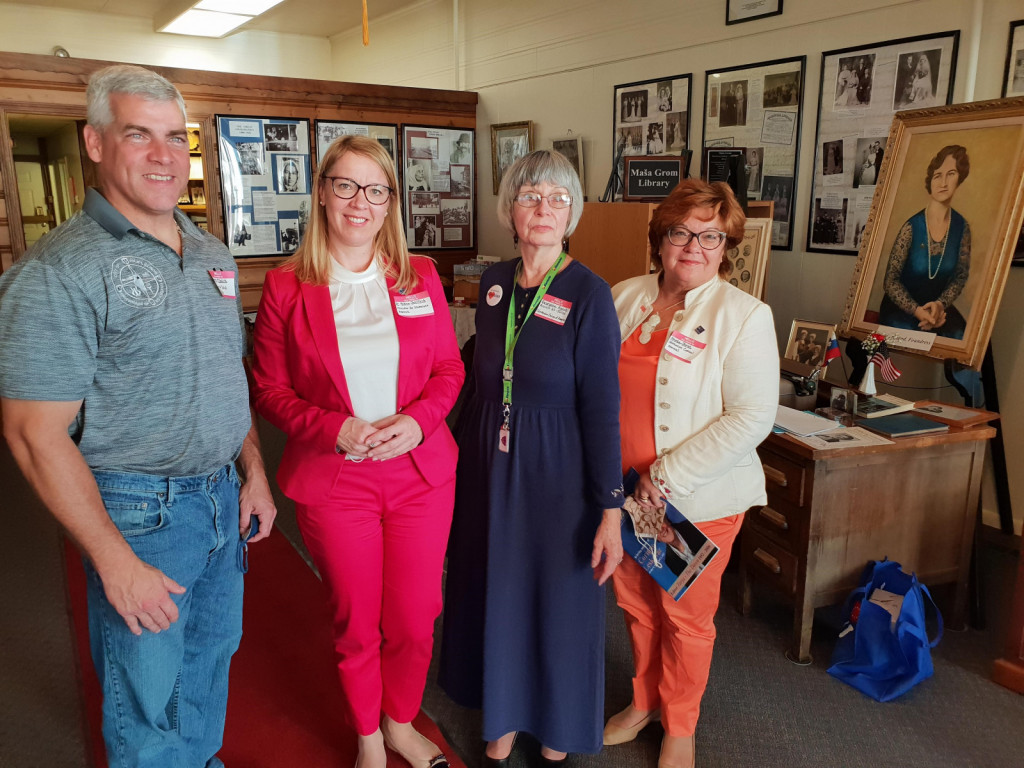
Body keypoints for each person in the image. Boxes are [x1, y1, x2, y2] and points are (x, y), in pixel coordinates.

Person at [0, 64, 277, 767]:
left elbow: (227, 379)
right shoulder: (58, 271)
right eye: (138, 135)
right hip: (140, 512)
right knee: (147, 698)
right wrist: (113, 560)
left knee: (209, 664)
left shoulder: (211, 253)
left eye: (174, 137)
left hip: (221, 501)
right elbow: (32, 434)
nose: (163, 155)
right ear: (95, 143)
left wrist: (253, 472)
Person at [251, 135, 464, 768]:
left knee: (416, 616)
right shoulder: (287, 286)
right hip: (337, 481)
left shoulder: (419, 275)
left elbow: (449, 370)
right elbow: (268, 389)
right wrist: (332, 428)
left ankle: (400, 721)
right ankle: (368, 737)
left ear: (390, 201)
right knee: (356, 619)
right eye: (345, 185)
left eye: (375, 189)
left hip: (419, 475)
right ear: (322, 192)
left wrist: (420, 422)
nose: (359, 202)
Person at [439, 150, 624, 765]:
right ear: (510, 210)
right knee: (494, 586)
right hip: (489, 462)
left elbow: (602, 408)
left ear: (572, 213)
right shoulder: (493, 283)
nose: (544, 209)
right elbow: (477, 372)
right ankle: (501, 717)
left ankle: (554, 730)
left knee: (554, 599)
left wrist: (610, 509)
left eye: (558, 198)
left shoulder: (589, 294)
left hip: (557, 471)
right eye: (530, 196)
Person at [603, 179, 778, 768]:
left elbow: (752, 416)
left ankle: (680, 725)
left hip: (692, 498)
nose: (693, 247)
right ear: (660, 239)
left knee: (684, 615)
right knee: (636, 602)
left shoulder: (744, 316)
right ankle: (643, 701)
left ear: (726, 246)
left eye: (710, 236)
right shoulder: (624, 296)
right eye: (680, 232)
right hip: (624, 493)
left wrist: (666, 476)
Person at [878, 144, 970, 339]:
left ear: (960, 178)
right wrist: (917, 311)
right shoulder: (912, 227)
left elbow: (960, 276)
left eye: (951, 174)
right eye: (938, 175)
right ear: (930, 181)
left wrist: (940, 305)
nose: (943, 182)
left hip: (938, 310)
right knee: (915, 337)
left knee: (964, 337)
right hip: (901, 309)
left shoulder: (962, 227)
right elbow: (890, 281)